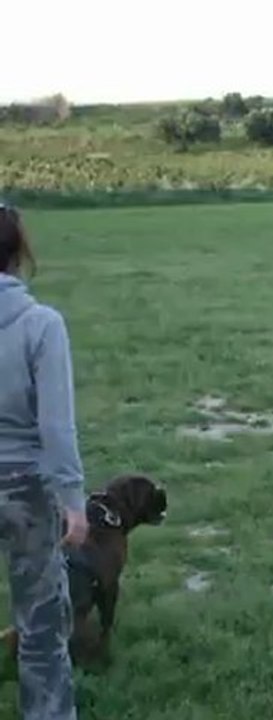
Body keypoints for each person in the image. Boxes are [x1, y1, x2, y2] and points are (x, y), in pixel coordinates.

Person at [0, 201, 87, 720]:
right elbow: (57, 427)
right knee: (40, 628)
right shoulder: (42, 324)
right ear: (18, 254)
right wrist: (74, 502)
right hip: (28, 491)